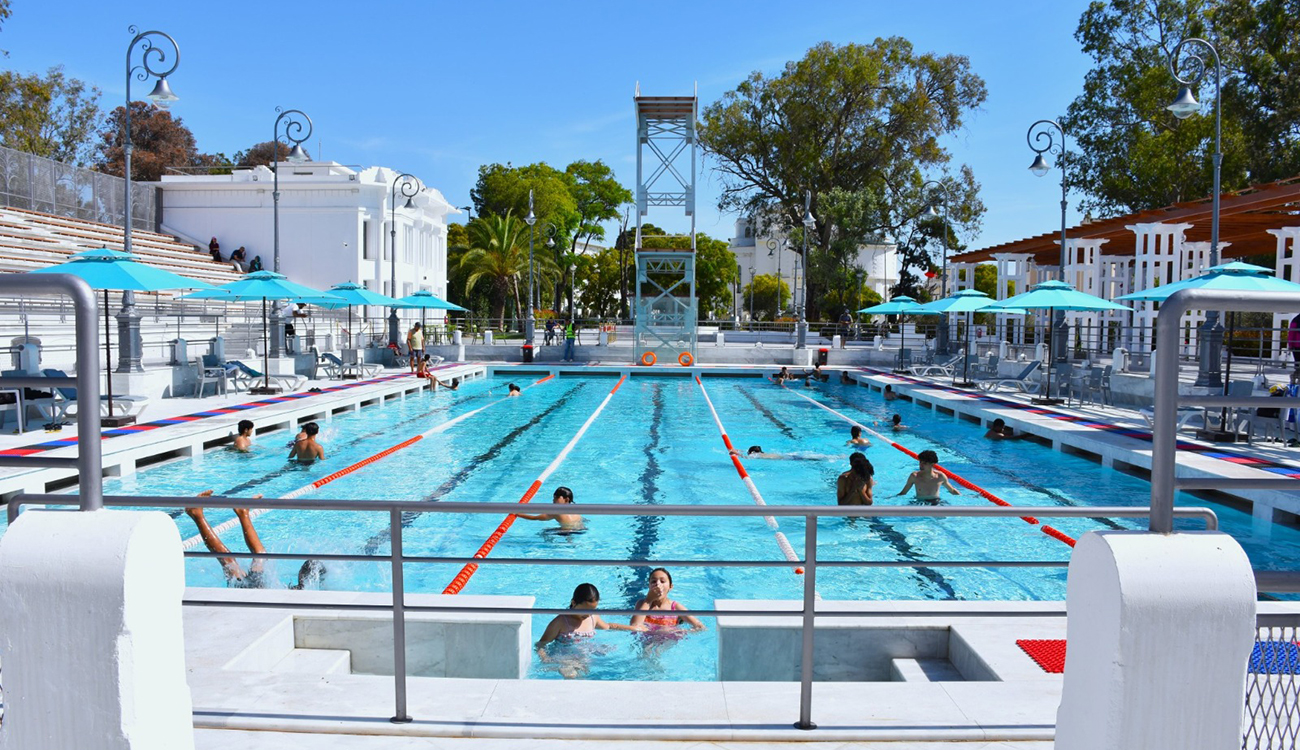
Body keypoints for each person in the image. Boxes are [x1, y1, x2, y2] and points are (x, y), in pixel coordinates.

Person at [186, 491, 325, 590]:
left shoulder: (294, 590)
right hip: (257, 589)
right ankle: (241, 513)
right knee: (249, 557)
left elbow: (309, 566)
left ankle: (238, 514)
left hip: (256, 589)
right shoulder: (294, 592)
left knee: (234, 559)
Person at [535, 583, 637, 678]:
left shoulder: (593, 618)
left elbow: (609, 626)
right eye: (585, 610)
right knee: (572, 676)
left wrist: (633, 628)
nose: (588, 614)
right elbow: (541, 644)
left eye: (592, 610)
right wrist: (546, 659)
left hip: (583, 656)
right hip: (563, 658)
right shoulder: (561, 621)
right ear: (573, 603)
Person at [630, 568, 705, 633]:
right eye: (653, 581)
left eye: (662, 581)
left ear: (670, 587)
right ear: (649, 586)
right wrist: (649, 600)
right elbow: (635, 626)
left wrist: (678, 632)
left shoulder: (675, 607)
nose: (658, 584)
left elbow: (700, 627)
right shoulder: (642, 604)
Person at [515, 486, 582, 530]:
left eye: (556, 497)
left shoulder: (557, 512)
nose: (553, 500)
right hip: (581, 530)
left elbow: (535, 518)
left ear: (566, 499)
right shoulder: (575, 509)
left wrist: (519, 514)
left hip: (567, 533)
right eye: (554, 498)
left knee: (544, 532)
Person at [1290, 314, 1300, 384]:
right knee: (1298, 364)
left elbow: (1291, 333)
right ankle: (1295, 377)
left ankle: (1294, 377)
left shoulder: (1295, 319)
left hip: (1296, 345)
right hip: (1297, 345)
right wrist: (1290, 344)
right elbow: (1292, 333)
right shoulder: (1296, 320)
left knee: (1298, 364)